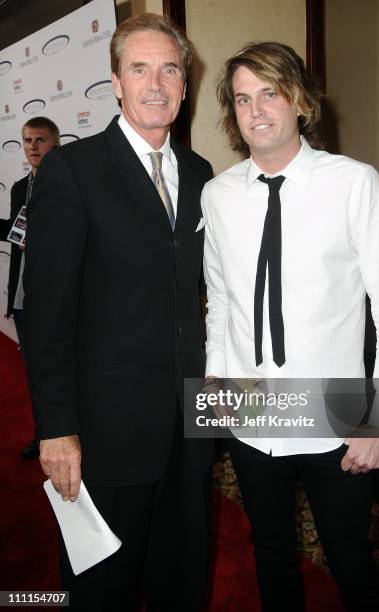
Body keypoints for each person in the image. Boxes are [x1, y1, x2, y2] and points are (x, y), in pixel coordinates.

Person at [201, 42, 379, 611]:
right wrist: (216, 381)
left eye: (269, 92)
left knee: (351, 561)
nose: (257, 110)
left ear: (300, 99)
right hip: (251, 408)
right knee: (269, 550)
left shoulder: (355, 183)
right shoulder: (218, 195)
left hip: (336, 412)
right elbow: (220, 302)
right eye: (243, 99)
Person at [23, 14, 214, 612]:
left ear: (185, 85)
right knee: (101, 588)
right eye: (140, 69)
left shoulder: (203, 173)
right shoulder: (71, 172)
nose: (155, 84)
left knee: (179, 578)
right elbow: (46, 315)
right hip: (106, 432)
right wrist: (56, 429)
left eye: (169, 70)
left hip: (190, 427)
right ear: (115, 81)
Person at [0, 116, 59, 460]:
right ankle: (44, 434)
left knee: (59, 371)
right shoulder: (20, 188)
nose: (33, 146)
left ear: (55, 143)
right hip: (24, 297)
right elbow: (15, 231)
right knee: (36, 374)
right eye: (27, 140)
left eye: (40, 139)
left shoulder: (69, 184)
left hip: (56, 295)